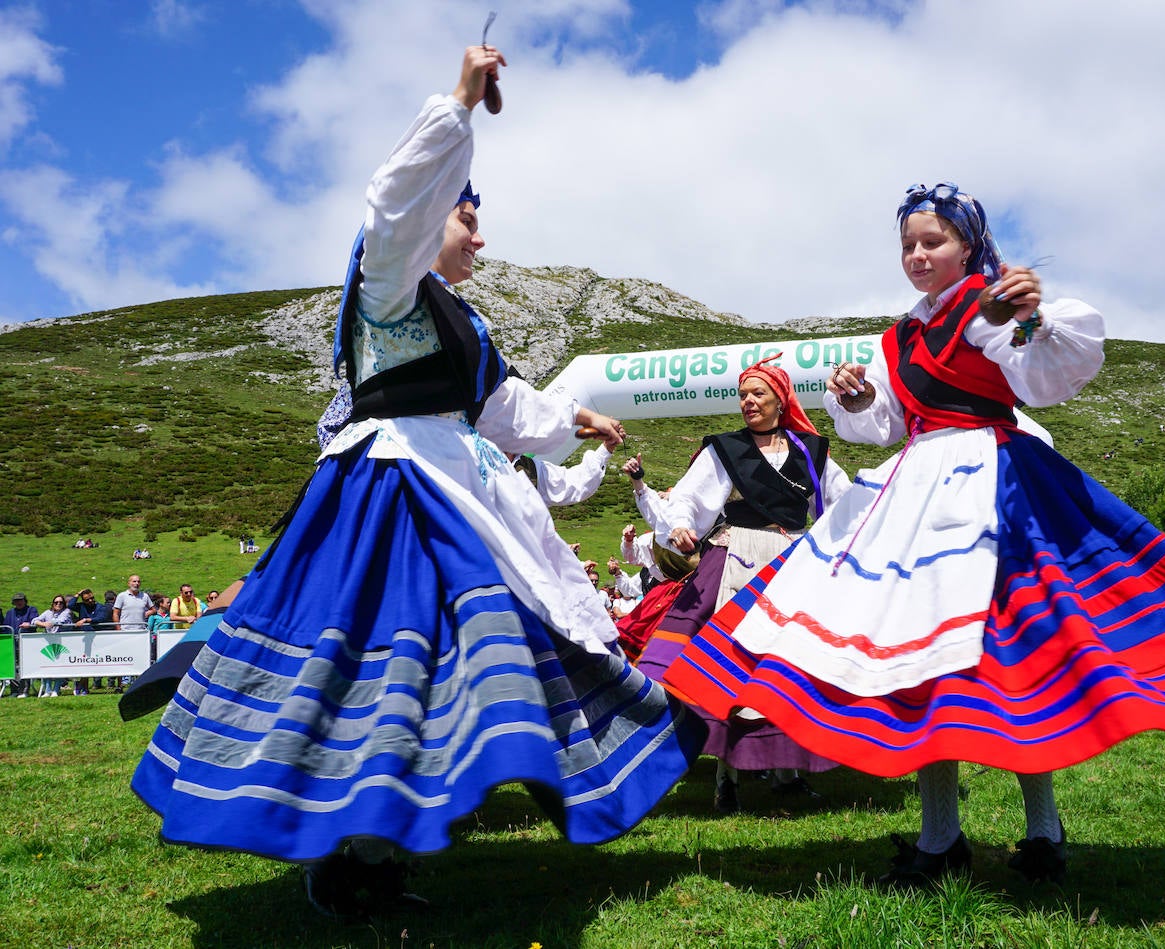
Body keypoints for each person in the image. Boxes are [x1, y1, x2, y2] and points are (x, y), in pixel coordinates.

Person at [130, 46, 701, 921]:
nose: (479, 233)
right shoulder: (389, 287)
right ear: (433, 218)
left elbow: (503, 404)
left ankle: (384, 843)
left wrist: (572, 422)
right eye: (467, 217)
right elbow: (393, 206)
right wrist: (460, 107)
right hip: (389, 503)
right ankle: (353, 854)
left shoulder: (458, 318)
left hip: (454, 496)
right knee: (381, 662)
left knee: (447, 671)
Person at [663, 182, 1165, 887]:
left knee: (1017, 658)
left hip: (994, 486)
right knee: (918, 660)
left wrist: (1030, 317)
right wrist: (859, 400)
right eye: (908, 245)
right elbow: (888, 425)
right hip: (915, 491)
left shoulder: (988, 304)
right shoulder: (901, 335)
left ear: (968, 245)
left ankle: (1042, 829)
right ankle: (939, 836)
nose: (918, 255)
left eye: (933, 241)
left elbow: (1040, 377)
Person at [638, 356, 851, 812]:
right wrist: (679, 524)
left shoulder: (812, 450)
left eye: (757, 394)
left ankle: (786, 773)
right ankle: (726, 777)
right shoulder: (726, 449)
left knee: (785, 663)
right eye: (743, 395)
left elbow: (841, 503)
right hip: (737, 558)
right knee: (730, 665)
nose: (748, 402)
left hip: (793, 560)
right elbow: (689, 496)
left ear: (781, 399)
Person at [33, 595, 74, 697]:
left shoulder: (66, 612)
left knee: (59, 667)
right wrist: (43, 624)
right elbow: (35, 620)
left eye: (61, 602)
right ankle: (47, 690)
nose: (58, 604)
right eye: (56, 602)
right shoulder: (48, 613)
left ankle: (56, 689)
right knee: (47, 666)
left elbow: (61, 621)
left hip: (62, 643)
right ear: (53, 603)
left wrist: (49, 623)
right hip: (49, 644)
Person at [4, 594, 39, 698]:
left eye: (21, 600)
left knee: (25, 667)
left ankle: (24, 690)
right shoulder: (10, 612)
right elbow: (6, 627)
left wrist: (29, 624)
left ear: (25, 601)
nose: (19, 602)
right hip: (12, 643)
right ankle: (14, 690)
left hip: (26, 643)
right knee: (13, 667)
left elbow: (34, 622)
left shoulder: (31, 610)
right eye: (16, 601)